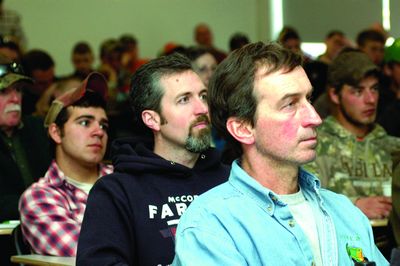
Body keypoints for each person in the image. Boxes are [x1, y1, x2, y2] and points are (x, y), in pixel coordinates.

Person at [173, 42, 387, 265]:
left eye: (309, 99)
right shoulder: (213, 225)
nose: (314, 117)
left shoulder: (344, 212)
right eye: (290, 104)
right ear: (243, 128)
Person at [76, 53, 229, 266]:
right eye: (184, 100)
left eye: (203, 96)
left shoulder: (231, 180)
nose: (202, 109)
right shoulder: (117, 192)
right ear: (152, 119)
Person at [18, 72, 113, 256]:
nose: (99, 132)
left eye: (103, 126)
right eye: (85, 122)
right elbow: (92, 254)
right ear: (55, 132)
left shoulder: (124, 180)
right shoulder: (39, 198)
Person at [304, 51, 400, 219]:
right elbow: (303, 206)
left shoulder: (393, 147)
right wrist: (353, 206)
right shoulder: (314, 145)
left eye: (374, 89)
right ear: (334, 94)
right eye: (358, 91)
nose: (370, 99)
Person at [0, 54, 51, 265]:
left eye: (18, 90)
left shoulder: (37, 129)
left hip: (41, 236)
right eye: (4, 91)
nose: (15, 99)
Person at [21, 49, 57, 115]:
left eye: (51, 80)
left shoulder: (57, 85)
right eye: (42, 83)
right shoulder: (19, 100)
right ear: (26, 82)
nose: (50, 86)